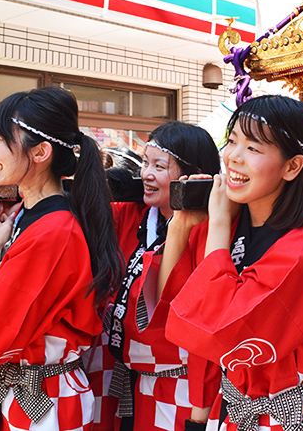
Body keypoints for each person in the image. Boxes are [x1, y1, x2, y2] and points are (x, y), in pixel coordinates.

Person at [159, 94, 303, 431]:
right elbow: (174, 310)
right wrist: (180, 225)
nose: (233, 157)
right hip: (232, 408)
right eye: (232, 141)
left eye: (254, 148)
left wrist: (217, 226)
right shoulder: (230, 222)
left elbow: (221, 333)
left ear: (292, 166)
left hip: (290, 415)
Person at [0, 86, 123, 431]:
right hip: (33, 391)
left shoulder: (51, 232)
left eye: (0, 139)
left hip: (41, 402)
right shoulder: (31, 217)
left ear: (41, 151)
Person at [102, 122, 221, 431]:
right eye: (145, 163)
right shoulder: (133, 214)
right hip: (129, 377)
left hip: (181, 384)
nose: (146, 174)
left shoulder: (212, 231)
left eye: (159, 166)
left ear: (191, 175)